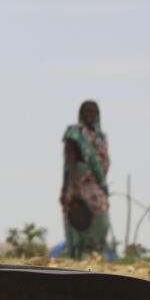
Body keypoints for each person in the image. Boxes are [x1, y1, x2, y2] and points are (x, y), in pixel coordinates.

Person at [61, 100, 110, 259]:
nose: (89, 115)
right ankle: (78, 257)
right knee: (79, 220)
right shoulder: (75, 133)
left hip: (96, 183)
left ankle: (93, 254)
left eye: (93, 112)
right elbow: (70, 160)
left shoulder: (100, 136)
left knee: (101, 220)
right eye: (86, 112)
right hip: (79, 182)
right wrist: (74, 187)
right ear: (81, 114)